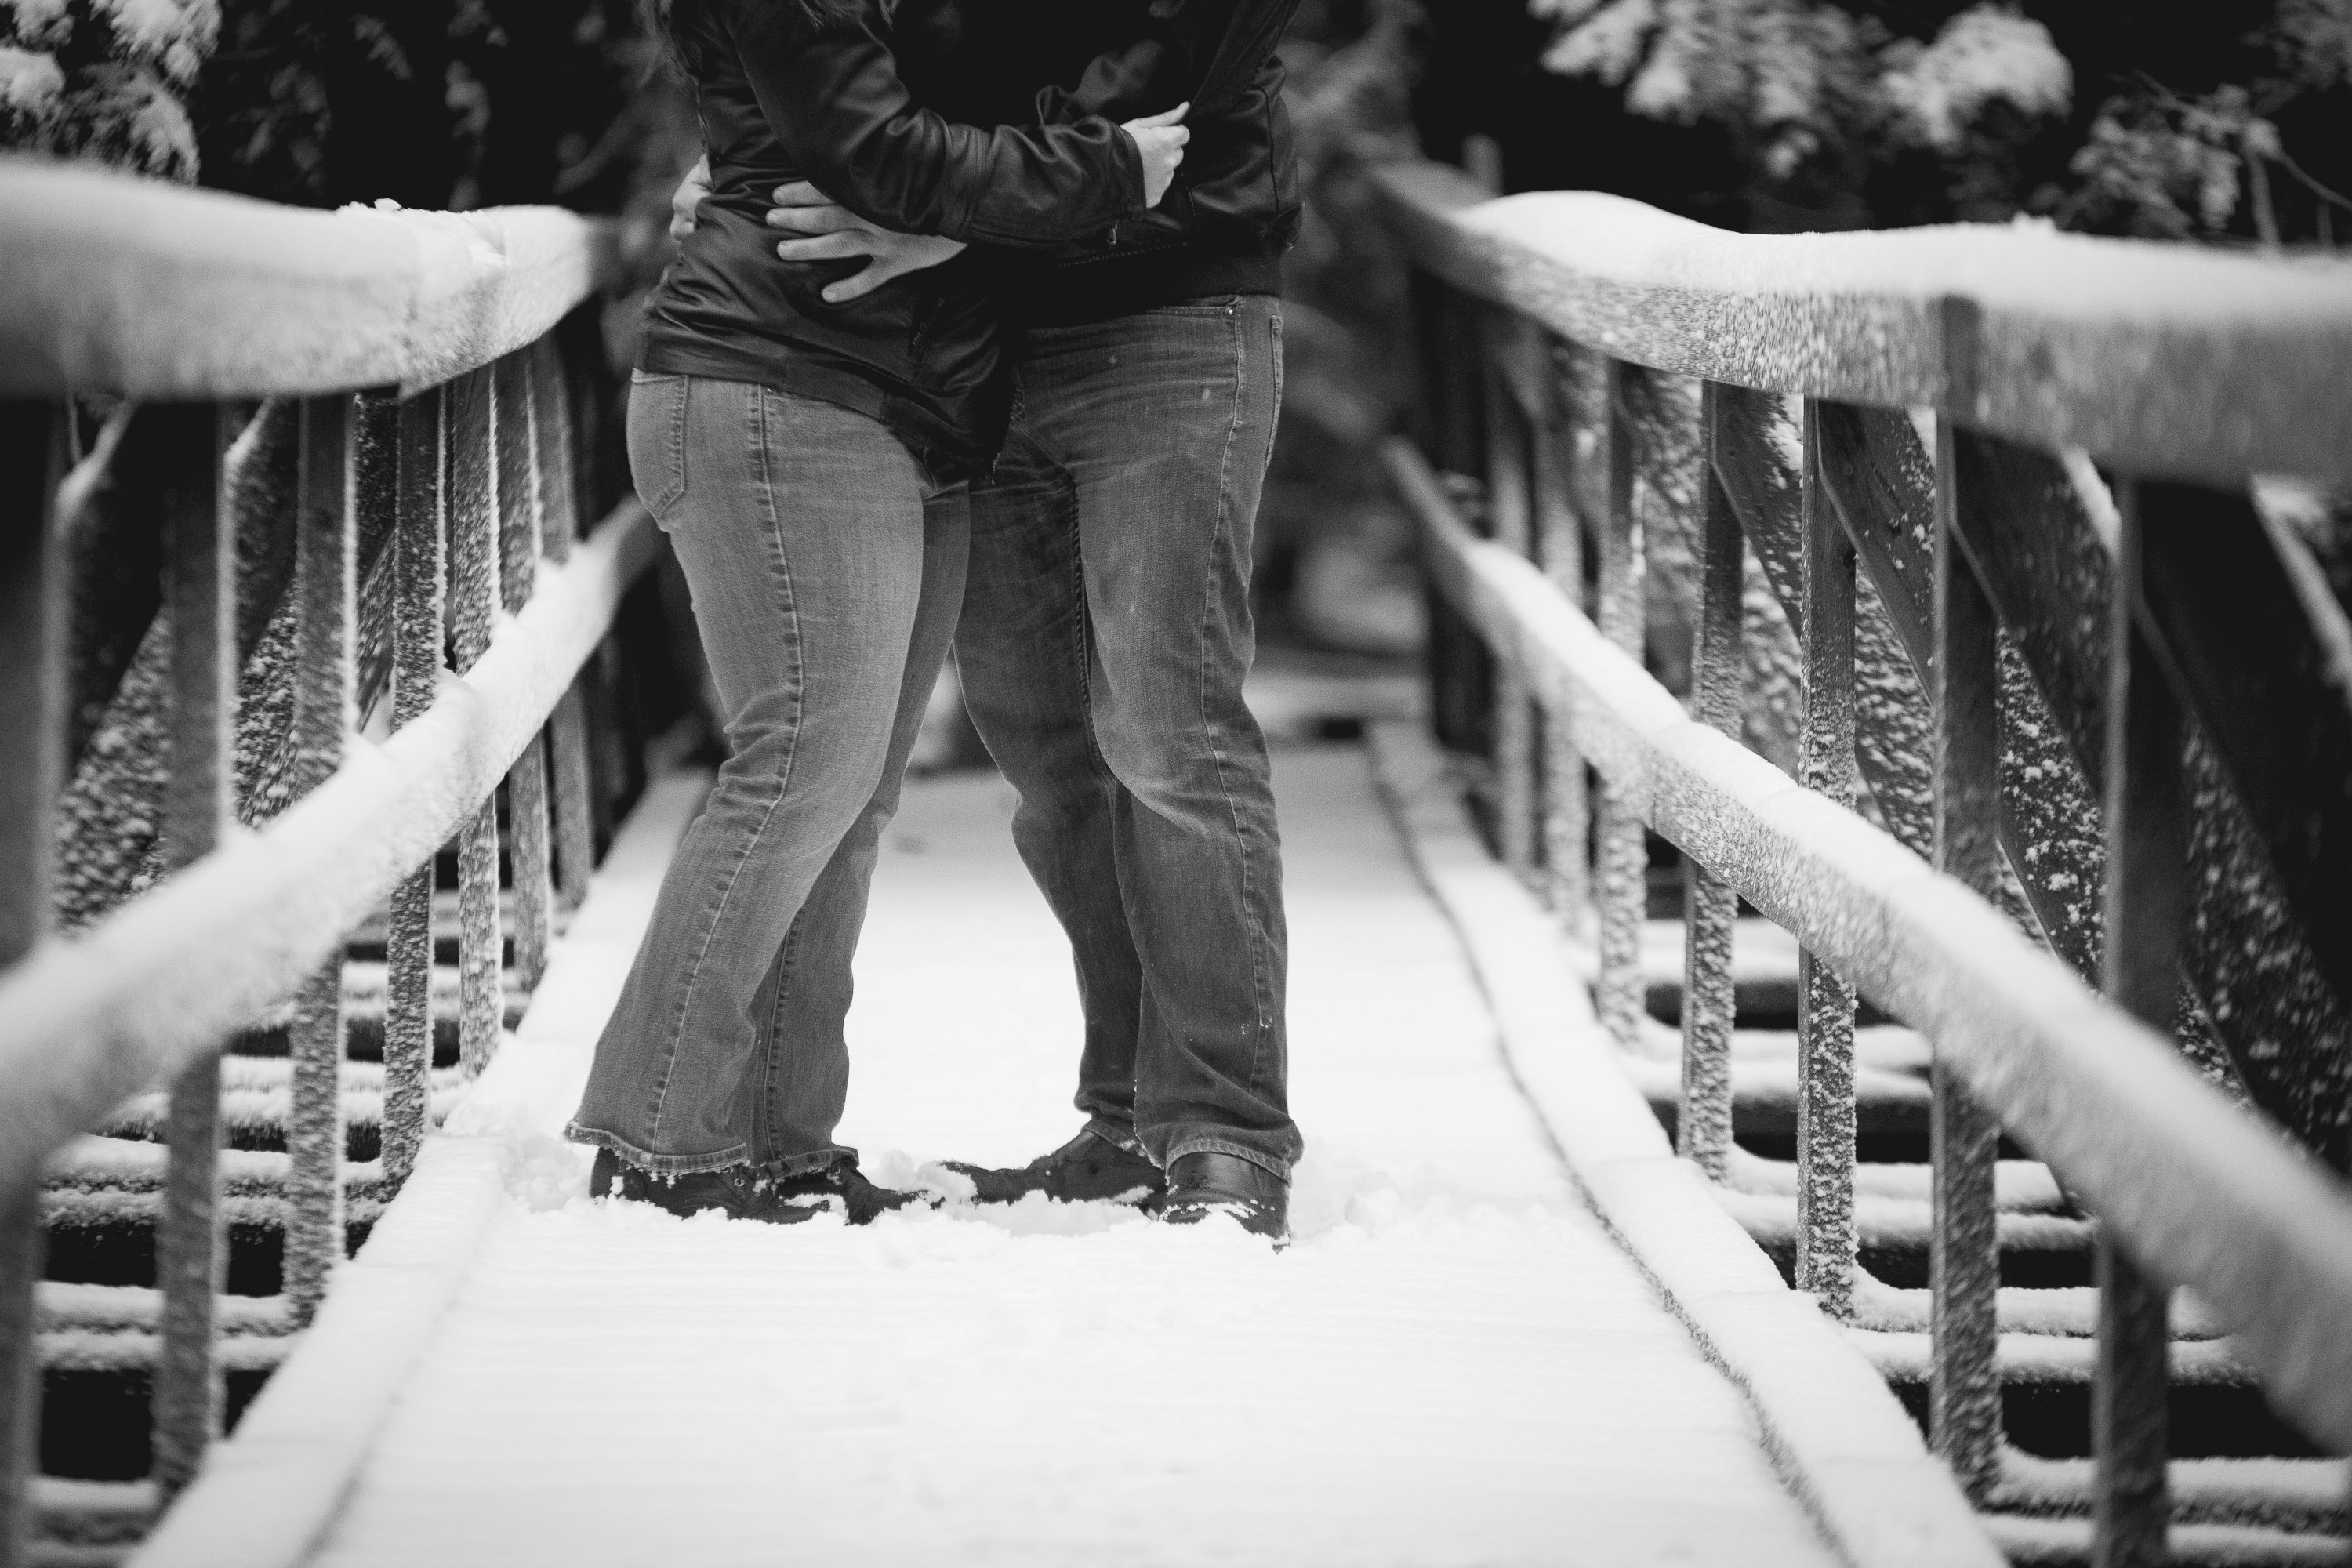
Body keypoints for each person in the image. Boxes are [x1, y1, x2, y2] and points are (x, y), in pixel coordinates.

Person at [670, 0, 1306, 1239]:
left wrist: (938, 230)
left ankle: (1226, 1136)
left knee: (1172, 734)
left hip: (1171, 314)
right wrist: (775, 163)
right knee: (1053, 756)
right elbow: (883, 96)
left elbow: (1147, 113)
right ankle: (1131, 1117)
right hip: (984, 348)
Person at [565, 0, 1192, 1225]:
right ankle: (658, 1138)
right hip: (778, 381)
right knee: (800, 765)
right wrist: (1108, 168)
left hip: (899, 400)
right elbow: (880, 159)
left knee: (849, 792)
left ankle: (774, 1137)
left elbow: (926, 136)